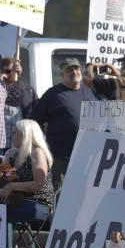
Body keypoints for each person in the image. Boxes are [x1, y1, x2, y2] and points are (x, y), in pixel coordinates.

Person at [29, 57, 101, 187]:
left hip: (86, 155)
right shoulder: (53, 94)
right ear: (62, 74)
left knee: (82, 191)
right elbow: (34, 122)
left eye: (77, 68)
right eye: (69, 70)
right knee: (60, 193)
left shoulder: (91, 93)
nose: (74, 72)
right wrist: (38, 145)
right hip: (61, 157)